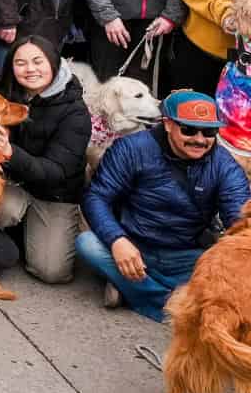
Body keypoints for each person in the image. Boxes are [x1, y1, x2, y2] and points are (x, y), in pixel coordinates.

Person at [78, 90, 251, 318]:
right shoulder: (132, 148)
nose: (199, 139)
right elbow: (96, 196)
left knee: (232, 269)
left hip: (186, 254)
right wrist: (116, 239)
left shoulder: (224, 166)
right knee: (87, 244)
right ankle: (175, 304)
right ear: (168, 124)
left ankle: (136, 291)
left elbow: (239, 221)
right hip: (133, 246)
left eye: (209, 131)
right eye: (188, 129)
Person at [0, 34, 91, 285]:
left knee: (52, 272)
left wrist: (10, 152)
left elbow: (55, 171)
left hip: (54, 193)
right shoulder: (3, 92)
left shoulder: (75, 112)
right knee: (5, 211)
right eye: (20, 62)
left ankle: (41, 231)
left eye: (37, 61)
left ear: (53, 63)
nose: (30, 69)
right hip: (11, 185)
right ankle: (10, 234)